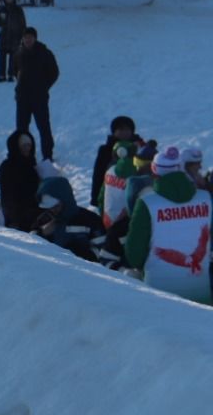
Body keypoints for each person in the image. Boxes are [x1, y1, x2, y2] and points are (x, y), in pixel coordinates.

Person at [124, 145, 213, 304]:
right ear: (180, 168)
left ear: (155, 171)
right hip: (202, 296)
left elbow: (134, 255)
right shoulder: (206, 198)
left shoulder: (147, 203)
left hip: (159, 299)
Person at [12, 26, 58, 162]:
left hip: (39, 97)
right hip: (22, 97)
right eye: (25, 37)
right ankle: (23, 155)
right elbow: (15, 71)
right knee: (21, 129)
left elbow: (54, 72)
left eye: (30, 37)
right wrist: (20, 85)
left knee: (43, 127)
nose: (28, 40)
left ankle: (48, 155)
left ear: (35, 38)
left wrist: (44, 86)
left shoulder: (44, 53)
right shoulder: (18, 53)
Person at [90, 115, 136, 210]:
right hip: (111, 194)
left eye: (127, 129)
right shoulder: (105, 150)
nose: (124, 132)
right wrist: (95, 197)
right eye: (121, 129)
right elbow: (98, 174)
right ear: (114, 132)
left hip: (134, 194)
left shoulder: (138, 147)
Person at [0, 130, 41, 231]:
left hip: (32, 211)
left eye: (29, 145)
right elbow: (9, 195)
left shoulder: (31, 165)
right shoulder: (8, 166)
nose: (27, 149)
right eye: (24, 146)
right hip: (19, 216)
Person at [97, 138, 137, 232]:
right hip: (129, 225)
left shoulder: (109, 171)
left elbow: (101, 198)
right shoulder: (138, 175)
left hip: (108, 221)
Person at [0, 0, 24, 82]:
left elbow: (23, 23)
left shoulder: (18, 10)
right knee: (2, 57)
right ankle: (1, 76)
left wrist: (23, 35)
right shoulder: (1, 9)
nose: (9, 0)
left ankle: (11, 75)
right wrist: (1, 20)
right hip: (3, 37)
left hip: (15, 37)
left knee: (13, 57)